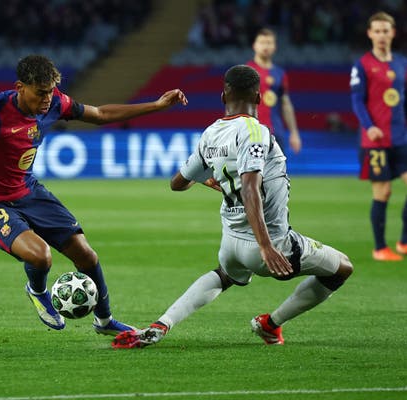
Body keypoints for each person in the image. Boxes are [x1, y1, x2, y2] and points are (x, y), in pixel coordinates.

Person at [0, 54, 188, 335]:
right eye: (41, 92)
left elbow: (100, 114)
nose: (47, 99)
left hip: (29, 191)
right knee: (41, 256)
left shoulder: (55, 101)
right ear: (20, 87)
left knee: (86, 255)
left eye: (51, 91)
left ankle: (104, 320)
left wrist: (157, 105)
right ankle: (36, 290)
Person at [112, 65, 353, 348]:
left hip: (231, 242)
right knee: (342, 268)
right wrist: (266, 246)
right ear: (259, 98)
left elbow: (178, 183)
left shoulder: (211, 133)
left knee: (223, 276)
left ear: (223, 96)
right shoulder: (255, 131)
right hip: (268, 242)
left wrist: (207, 179)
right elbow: (250, 188)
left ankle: (162, 324)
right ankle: (271, 324)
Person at [350, 11, 407, 262]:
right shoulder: (362, 65)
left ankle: (404, 242)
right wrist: (369, 126)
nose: (382, 35)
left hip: (401, 138)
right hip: (375, 141)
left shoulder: (402, 63)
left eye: (386, 31)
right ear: (370, 34)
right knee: (383, 192)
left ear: (392, 33)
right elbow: (357, 100)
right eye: (377, 31)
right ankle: (380, 248)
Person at [247, 28, 302, 154]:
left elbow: (286, 104)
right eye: (262, 42)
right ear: (254, 45)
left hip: (276, 133)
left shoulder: (279, 74)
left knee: (278, 167)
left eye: (269, 43)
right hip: (252, 134)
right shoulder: (246, 71)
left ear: (274, 47)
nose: (265, 46)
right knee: (254, 166)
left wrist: (294, 133)